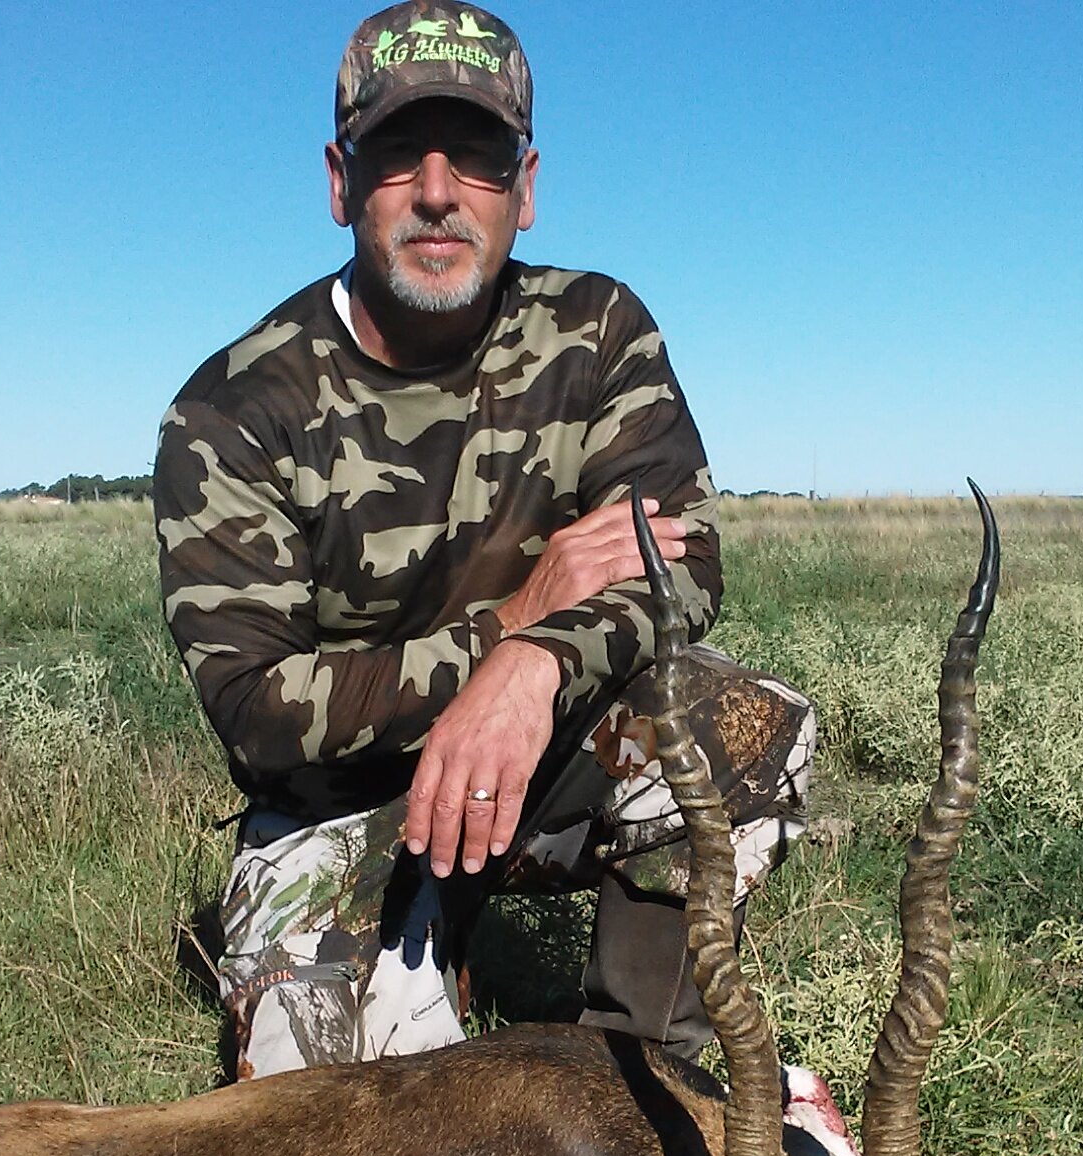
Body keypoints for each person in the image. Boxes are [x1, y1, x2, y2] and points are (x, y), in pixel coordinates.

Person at [153, 1, 815, 1079]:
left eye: (478, 156)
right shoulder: (231, 411)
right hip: (335, 813)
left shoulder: (598, 332)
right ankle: (399, 946)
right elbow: (259, 713)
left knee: (739, 720)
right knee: (319, 1130)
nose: (436, 191)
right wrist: (508, 620)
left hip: (535, 777)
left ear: (527, 187)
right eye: (393, 157)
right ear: (338, 182)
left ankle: (650, 1083)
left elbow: (681, 566)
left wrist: (533, 661)